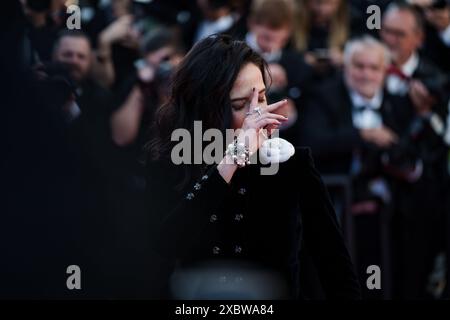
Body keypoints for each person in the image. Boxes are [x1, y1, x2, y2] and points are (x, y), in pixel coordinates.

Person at [144, 34, 361, 299]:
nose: (256, 115)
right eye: (239, 105)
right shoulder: (176, 158)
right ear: (206, 108)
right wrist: (231, 159)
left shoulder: (290, 163)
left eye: (261, 99)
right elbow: (166, 244)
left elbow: (334, 264)